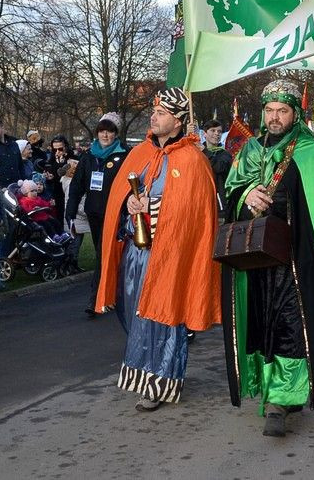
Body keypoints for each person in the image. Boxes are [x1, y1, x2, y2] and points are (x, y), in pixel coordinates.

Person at [222, 79, 314, 438]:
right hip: (255, 259)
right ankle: (268, 387)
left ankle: (281, 398)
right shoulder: (250, 149)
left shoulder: (312, 153)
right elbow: (231, 189)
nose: (274, 117)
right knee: (259, 323)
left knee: (290, 326)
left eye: (282, 111)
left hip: (295, 260)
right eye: (269, 111)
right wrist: (248, 194)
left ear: (295, 113)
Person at [94, 88, 220, 412]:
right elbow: (120, 202)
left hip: (171, 256)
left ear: (178, 121)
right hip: (137, 252)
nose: (154, 117)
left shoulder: (194, 161)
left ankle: (161, 381)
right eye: (154, 111)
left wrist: (162, 212)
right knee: (134, 315)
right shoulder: (141, 155)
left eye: (162, 113)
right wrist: (130, 204)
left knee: (164, 316)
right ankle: (146, 372)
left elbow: (198, 217)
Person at [66, 113, 127, 318]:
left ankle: (97, 300)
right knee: (104, 254)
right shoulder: (89, 156)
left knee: (106, 254)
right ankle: (106, 297)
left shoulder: (124, 154)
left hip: (117, 214)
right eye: (102, 131)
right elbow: (77, 186)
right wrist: (70, 211)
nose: (105, 135)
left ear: (115, 134)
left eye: (109, 131)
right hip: (94, 212)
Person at [201, 120, 232, 216]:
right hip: (201, 201)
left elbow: (219, 167)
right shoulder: (197, 152)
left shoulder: (225, 154)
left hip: (218, 205)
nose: (216, 134)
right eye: (213, 130)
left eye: (219, 131)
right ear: (204, 134)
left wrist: (205, 152)